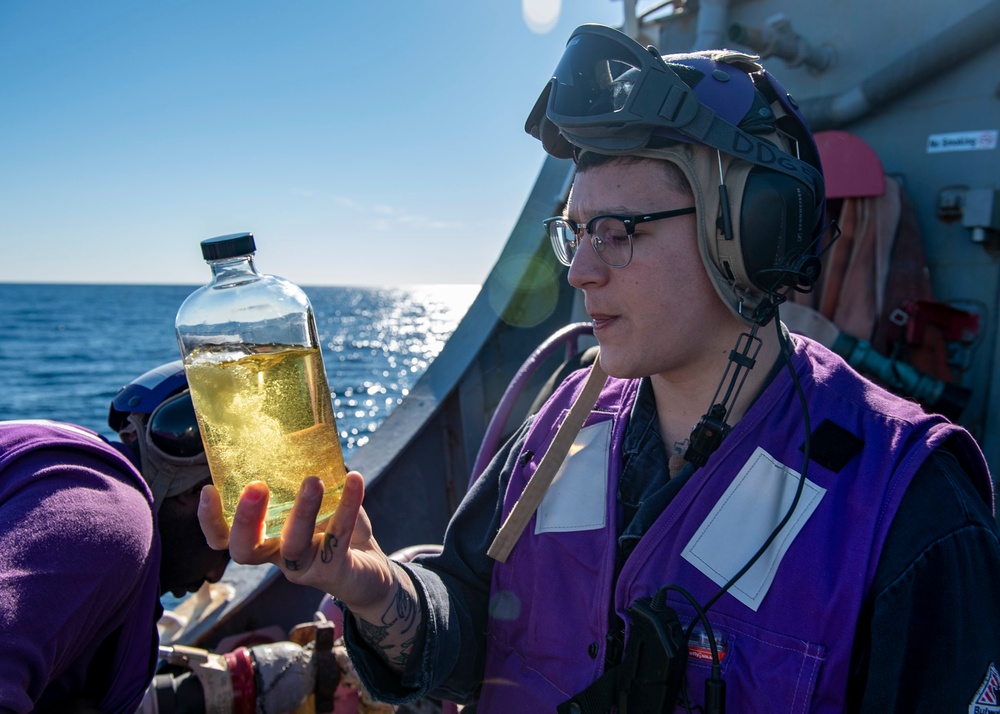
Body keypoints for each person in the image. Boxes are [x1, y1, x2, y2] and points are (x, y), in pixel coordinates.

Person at [199, 24, 1000, 713]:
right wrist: (370, 586)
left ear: (749, 235)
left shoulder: (910, 505)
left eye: (617, 230)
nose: (579, 271)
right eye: (573, 232)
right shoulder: (561, 424)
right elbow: (468, 629)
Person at [0, 361, 231, 714]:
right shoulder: (107, 518)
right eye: (229, 540)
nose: (217, 574)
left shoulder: (71, 461)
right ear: (199, 491)